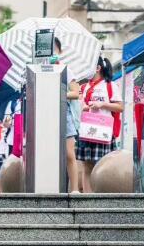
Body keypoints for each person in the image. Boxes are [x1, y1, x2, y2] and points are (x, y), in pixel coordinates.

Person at [77, 56, 123, 193]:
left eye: (89, 67)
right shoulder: (84, 87)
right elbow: (80, 106)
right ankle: (87, 200)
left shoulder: (110, 85)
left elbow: (120, 107)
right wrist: (84, 106)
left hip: (103, 131)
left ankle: (100, 199)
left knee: (103, 166)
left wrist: (102, 104)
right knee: (86, 167)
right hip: (87, 130)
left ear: (98, 68)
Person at [52, 37, 81, 193]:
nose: (52, 52)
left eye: (54, 48)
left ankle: (74, 189)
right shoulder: (38, 69)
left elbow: (76, 93)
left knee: (69, 153)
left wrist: (58, 92)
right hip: (46, 115)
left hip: (64, 114)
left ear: (60, 51)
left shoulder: (66, 70)